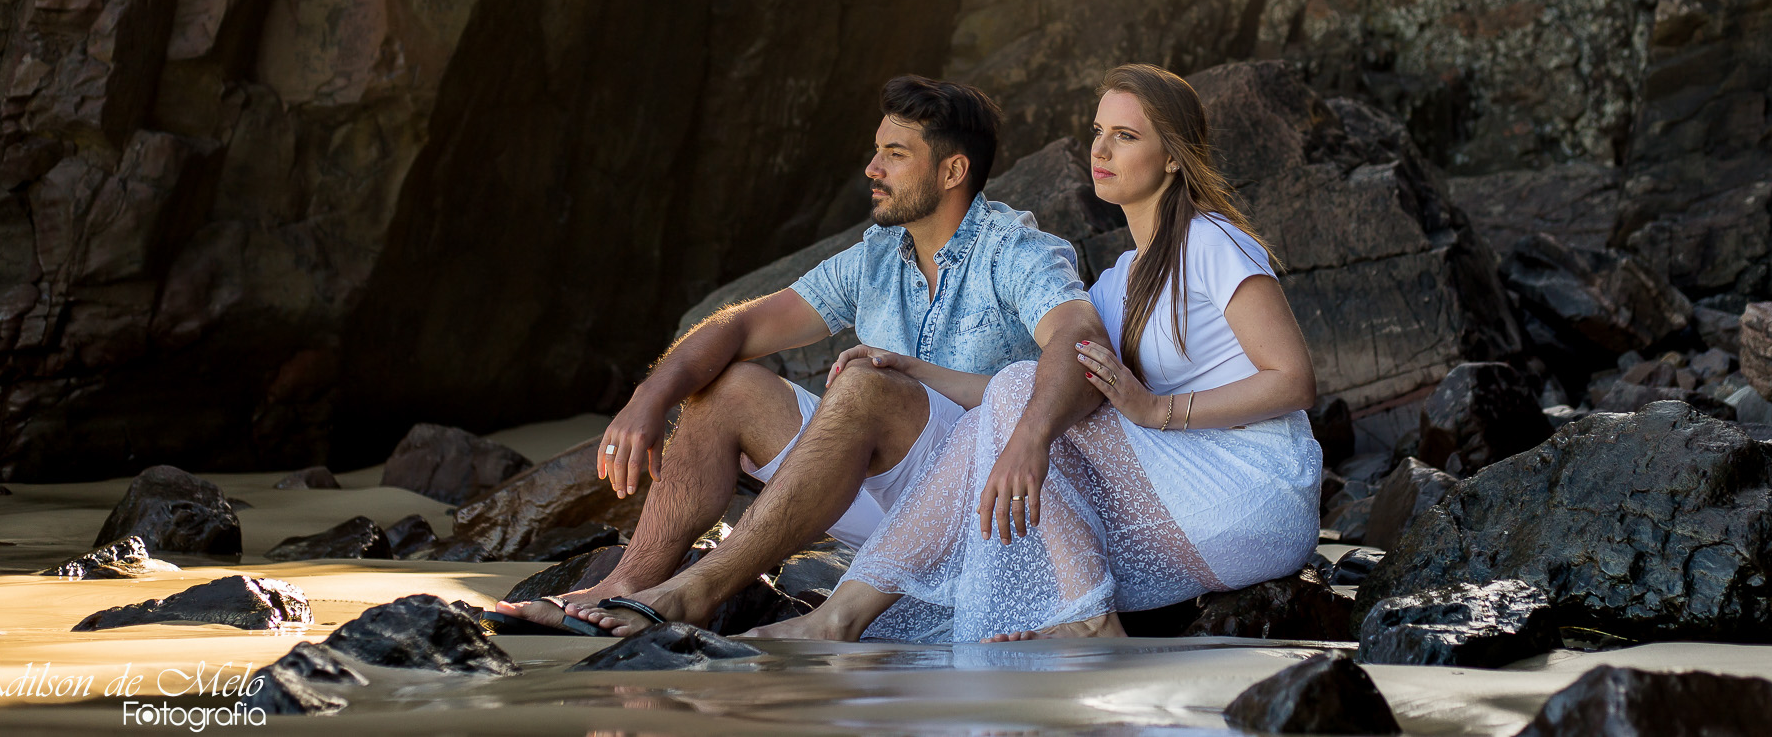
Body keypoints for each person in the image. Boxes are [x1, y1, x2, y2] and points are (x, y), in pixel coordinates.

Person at [492, 74, 1106, 636]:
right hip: (887, 505)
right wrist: (648, 398)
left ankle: (693, 593)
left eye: (895, 155)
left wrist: (1030, 438)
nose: (872, 168)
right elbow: (741, 324)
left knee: (865, 383)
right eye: (877, 150)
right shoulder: (877, 255)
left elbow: (1078, 339)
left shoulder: (1015, 250)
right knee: (729, 389)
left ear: (952, 171)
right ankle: (625, 583)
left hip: (984, 505)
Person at [751, 63, 1324, 643]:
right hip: (1187, 507)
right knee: (1004, 408)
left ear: (1173, 156)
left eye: (1126, 136)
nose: (1101, 150)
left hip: (1255, 493)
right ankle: (843, 615)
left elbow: (1294, 380)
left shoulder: (1210, 239)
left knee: (1026, 394)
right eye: (1098, 132)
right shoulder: (1117, 283)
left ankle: (1087, 617)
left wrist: (1156, 410)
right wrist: (915, 370)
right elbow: (1009, 395)